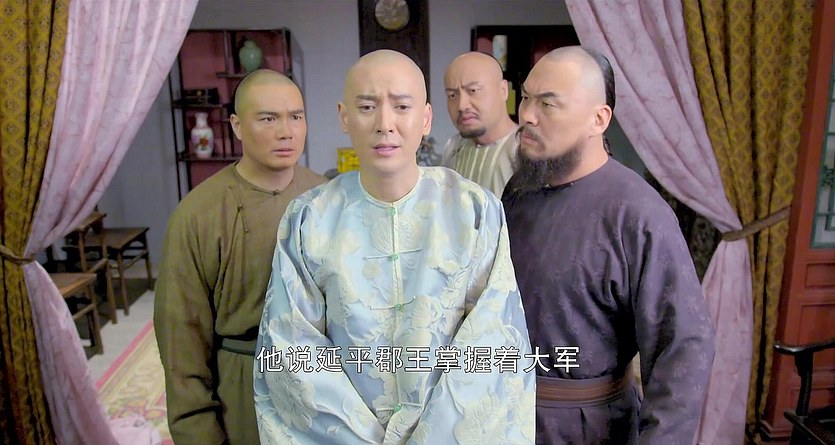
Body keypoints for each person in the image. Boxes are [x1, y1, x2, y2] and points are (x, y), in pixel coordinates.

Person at [254, 49, 534, 445]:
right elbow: (292, 351)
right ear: (344, 117)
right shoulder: (309, 219)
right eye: (367, 107)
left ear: (425, 118)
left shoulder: (474, 211)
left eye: (401, 106)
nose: (385, 124)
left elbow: (492, 344)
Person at [502, 46, 715, 444]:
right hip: (504, 411)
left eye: (547, 104)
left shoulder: (638, 213)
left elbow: (683, 345)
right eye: (526, 97)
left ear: (598, 119)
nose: (526, 115)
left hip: (589, 427)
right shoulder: (520, 189)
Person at [154, 69, 326, 445]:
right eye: (268, 118)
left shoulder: (326, 196)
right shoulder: (198, 215)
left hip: (322, 380)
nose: (286, 131)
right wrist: (196, 429)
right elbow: (181, 339)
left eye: (295, 117)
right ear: (236, 126)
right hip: (243, 383)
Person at [441, 51, 519, 197]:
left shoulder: (524, 150)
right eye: (452, 95)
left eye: (473, 91)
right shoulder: (453, 148)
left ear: (503, 91)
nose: (462, 105)